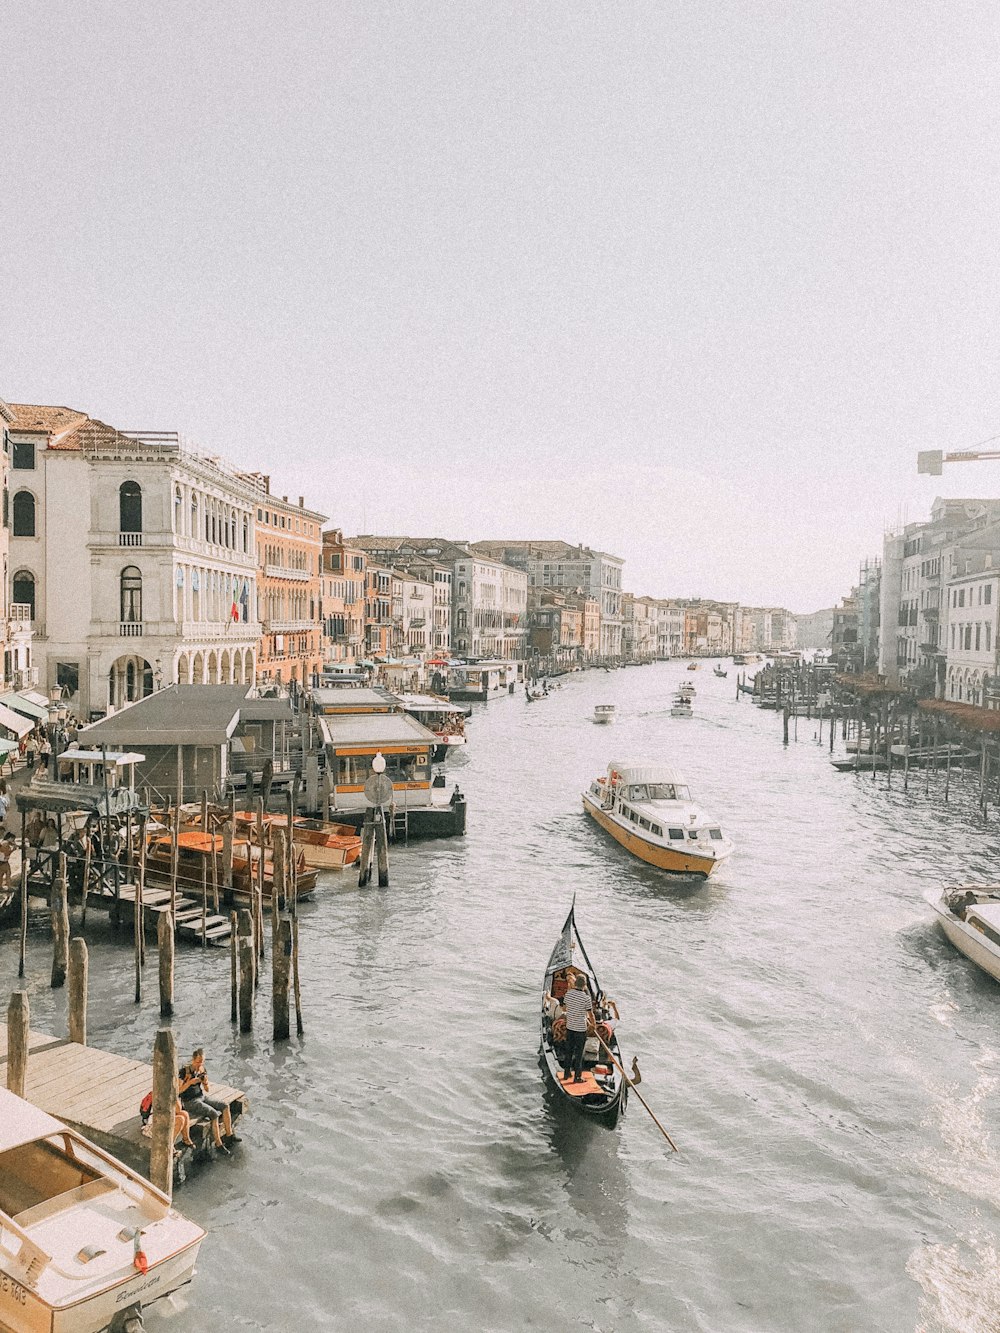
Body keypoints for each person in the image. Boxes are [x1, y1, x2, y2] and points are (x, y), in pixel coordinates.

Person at [178, 1047, 240, 1152]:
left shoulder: (202, 1069)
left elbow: (207, 1089)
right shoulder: (184, 1071)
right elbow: (178, 1090)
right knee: (214, 1114)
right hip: (190, 1101)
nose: (200, 1064)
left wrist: (205, 1082)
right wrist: (189, 1083)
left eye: (202, 1062)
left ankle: (229, 1135)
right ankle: (218, 1144)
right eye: (198, 1062)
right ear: (193, 1060)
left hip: (201, 1096)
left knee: (225, 1106)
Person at [561, 975, 593, 1084]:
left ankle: (566, 1074)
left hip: (570, 1028)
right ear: (584, 986)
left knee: (569, 1052)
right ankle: (577, 1077)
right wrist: (593, 1025)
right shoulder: (586, 998)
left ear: (575, 984)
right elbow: (591, 1014)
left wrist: (573, 1011)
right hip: (580, 1030)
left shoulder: (568, 994)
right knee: (579, 1054)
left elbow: (565, 1008)